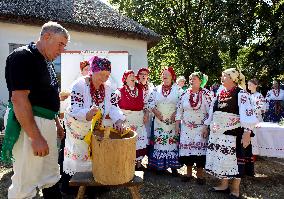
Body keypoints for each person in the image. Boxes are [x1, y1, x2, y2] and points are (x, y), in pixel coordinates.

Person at [2, 21, 69, 199]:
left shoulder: (46, 62)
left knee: (51, 174)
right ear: (47, 36)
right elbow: (19, 98)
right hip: (30, 122)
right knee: (26, 179)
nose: (62, 50)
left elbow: (48, 98)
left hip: (46, 122)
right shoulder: (23, 56)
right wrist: (35, 136)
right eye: (60, 44)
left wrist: (57, 124)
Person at [61, 56, 125, 194]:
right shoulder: (79, 85)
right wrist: (88, 113)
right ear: (93, 71)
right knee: (79, 154)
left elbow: (113, 107)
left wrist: (118, 120)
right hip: (78, 128)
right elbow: (74, 109)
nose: (105, 78)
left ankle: (94, 189)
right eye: (102, 74)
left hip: (94, 128)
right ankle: (74, 189)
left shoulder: (108, 89)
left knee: (95, 155)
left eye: (107, 75)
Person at [205, 68, 258, 199]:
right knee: (221, 159)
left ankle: (235, 189)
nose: (221, 78)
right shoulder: (220, 92)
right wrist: (207, 125)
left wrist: (247, 132)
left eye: (224, 76)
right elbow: (213, 111)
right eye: (222, 76)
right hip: (218, 133)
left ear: (233, 79)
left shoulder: (241, 94)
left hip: (234, 134)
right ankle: (223, 185)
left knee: (235, 161)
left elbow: (248, 114)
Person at [176, 72, 213, 185]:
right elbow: (179, 110)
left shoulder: (206, 94)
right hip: (186, 127)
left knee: (200, 152)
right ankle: (188, 173)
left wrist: (206, 126)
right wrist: (177, 124)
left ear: (201, 81)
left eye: (195, 79)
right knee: (188, 152)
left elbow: (210, 112)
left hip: (200, 127)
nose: (192, 81)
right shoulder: (184, 94)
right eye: (190, 79)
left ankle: (200, 174)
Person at [110, 70, 148, 170]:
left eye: (133, 76)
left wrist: (146, 113)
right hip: (126, 121)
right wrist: (118, 118)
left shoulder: (141, 90)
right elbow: (112, 104)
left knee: (139, 142)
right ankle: (126, 163)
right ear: (125, 79)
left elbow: (145, 104)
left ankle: (139, 164)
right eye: (129, 76)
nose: (132, 77)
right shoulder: (120, 91)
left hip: (138, 120)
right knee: (127, 141)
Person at [148, 67, 181, 176]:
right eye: (163, 74)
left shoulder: (178, 90)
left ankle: (173, 167)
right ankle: (159, 166)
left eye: (167, 74)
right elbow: (150, 102)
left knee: (172, 143)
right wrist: (155, 111)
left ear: (172, 77)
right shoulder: (156, 89)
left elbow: (182, 104)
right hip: (159, 121)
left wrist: (176, 113)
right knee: (160, 143)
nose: (164, 76)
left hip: (172, 121)